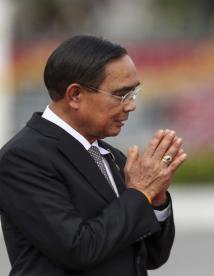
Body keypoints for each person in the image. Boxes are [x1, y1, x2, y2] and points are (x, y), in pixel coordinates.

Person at [0, 35, 187, 275]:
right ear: (75, 95)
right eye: (121, 95)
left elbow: (151, 256)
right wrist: (141, 193)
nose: (131, 105)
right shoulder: (23, 159)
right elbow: (77, 249)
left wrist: (156, 200)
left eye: (134, 94)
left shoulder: (111, 156)